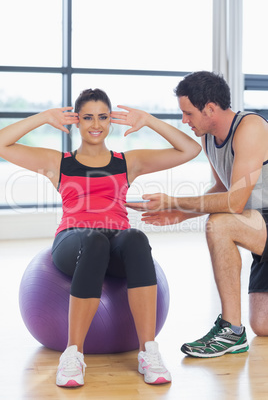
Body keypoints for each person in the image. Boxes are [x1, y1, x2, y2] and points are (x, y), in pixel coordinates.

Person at [0, 88, 201, 386]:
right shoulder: (60, 162)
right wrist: (43, 118)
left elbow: (190, 150)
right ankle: (72, 355)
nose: (96, 124)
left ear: (110, 122)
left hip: (116, 244)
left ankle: (149, 352)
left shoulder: (126, 162)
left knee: (135, 238)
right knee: (94, 240)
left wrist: (149, 120)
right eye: (88, 117)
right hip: (73, 241)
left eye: (103, 117)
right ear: (77, 121)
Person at [127, 71, 268, 358]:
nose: (185, 120)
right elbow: (220, 188)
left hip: (259, 218)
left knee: (219, 225)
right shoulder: (210, 140)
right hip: (258, 225)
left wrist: (175, 200)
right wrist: (180, 213)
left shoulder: (250, 127)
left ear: (211, 109)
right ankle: (239, 328)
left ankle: (231, 330)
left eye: (188, 113)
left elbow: (235, 201)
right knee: (262, 324)